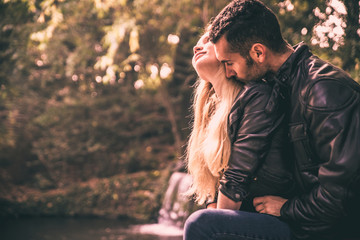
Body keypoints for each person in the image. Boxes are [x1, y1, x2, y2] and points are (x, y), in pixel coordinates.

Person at [185, 0, 360, 239]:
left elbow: (342, 196)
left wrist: (286, 208)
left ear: (258, 52)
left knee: (204, 225)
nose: (228, 72)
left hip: (319, 230)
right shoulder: (279, 86)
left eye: (229, 63)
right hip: (295, 220)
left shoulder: (323, 90)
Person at [185, 27, 296, 239]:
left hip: (281, 221)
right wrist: (212, 207)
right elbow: (211, 185)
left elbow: (237, 176)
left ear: (225, 52)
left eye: (207, 40)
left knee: (199, 224)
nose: (197, 46)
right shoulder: (211, 110)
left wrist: (216, 221)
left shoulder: (258, 96)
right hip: (247, 217)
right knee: (204, 221)